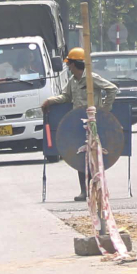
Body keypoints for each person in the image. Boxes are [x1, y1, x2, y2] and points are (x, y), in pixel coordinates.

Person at [53, 48, 118, 202]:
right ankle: (84, 191)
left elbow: (112, 89)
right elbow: (65, 96)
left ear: (76, 64)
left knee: (95, 157)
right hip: (77, 124)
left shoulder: (91, 79)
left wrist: (104, 111)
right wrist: (50, 101)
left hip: (93, 124)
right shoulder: (72, 81)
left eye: (70, 64)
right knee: (80, 157)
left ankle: (99, 189)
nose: (68, 67)